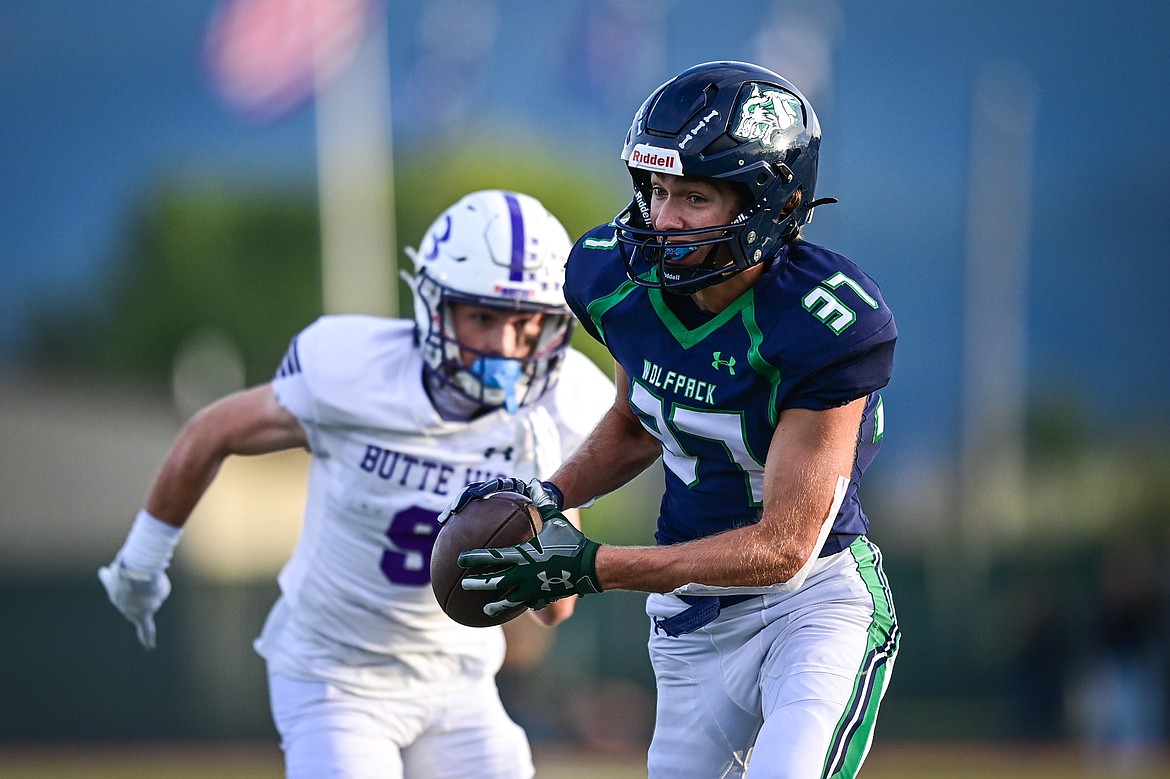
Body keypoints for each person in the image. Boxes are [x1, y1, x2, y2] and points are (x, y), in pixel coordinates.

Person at [445, 62, 900, 778]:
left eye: (693, 195)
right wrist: (549, 496)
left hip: (810, 607)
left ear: (767, 204)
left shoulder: (827, 321)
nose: (663, 218)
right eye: (656, 189)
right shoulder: (615, 280)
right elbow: (636, 421)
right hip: (692, 622)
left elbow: (785, 548)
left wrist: (593, 568)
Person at [98, 189, 614, 779]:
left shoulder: (567, 407)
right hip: (334, 675)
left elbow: (556, 614)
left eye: (525, 322)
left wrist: (544, 498)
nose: (503, 345)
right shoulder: (354, 373)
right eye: (482, 316)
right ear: (433, 307)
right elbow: (209, 432)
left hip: (459, 679)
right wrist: (143, 557)